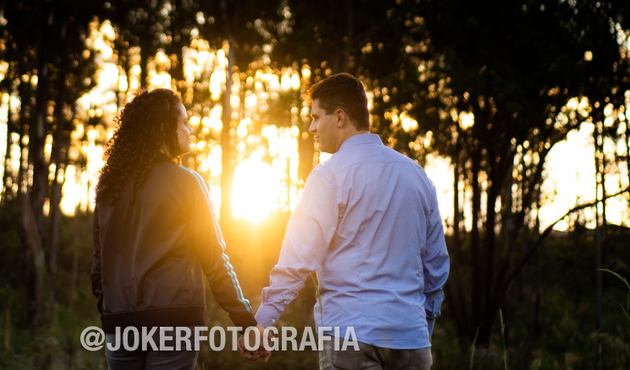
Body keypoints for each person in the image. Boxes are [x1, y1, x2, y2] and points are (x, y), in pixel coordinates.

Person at [253, 73, 449, 370]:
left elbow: (298, 258)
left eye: (317, 117)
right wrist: (422, 325)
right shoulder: (416, 175)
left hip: (351, 337)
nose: (311, 128)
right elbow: (435, 265)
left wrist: (264, 320)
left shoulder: (328, 176)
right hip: (411, 339)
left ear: (340, 117)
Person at [92, 87, 258, 370]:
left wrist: (112, 314)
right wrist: (245, 321)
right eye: (183, 122)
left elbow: (98, 268)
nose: (190, 129)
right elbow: (214, 260)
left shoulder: (109, 189)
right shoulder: (187, 183)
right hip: (174, 322)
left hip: (119, 325)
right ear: (162, 127)